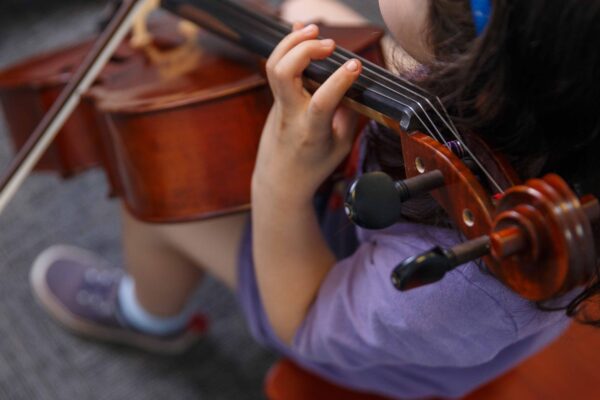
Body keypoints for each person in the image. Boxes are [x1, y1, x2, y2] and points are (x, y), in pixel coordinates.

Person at [29, 0, 600, 399]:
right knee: (307, 10)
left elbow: (299, 319)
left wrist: (280, 176)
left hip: (363, 325)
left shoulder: (455, 289)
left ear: (474, 64)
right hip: (407, 182)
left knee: (153, 200)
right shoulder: (556, 115)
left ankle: (148, 316)